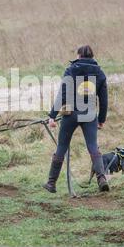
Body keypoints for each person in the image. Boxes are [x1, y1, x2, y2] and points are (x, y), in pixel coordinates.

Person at [43, 45, 109, 193]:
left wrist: (52, 116)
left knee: (62, 146)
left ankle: (51, 183)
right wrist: (101, 119)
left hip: (71, 114)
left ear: (79, 55)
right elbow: (104, 100)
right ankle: (102, 179)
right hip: (90, 114)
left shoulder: (71, 70)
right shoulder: (100, 73)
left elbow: (63, 94)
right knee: (93, 146)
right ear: (92, 56)